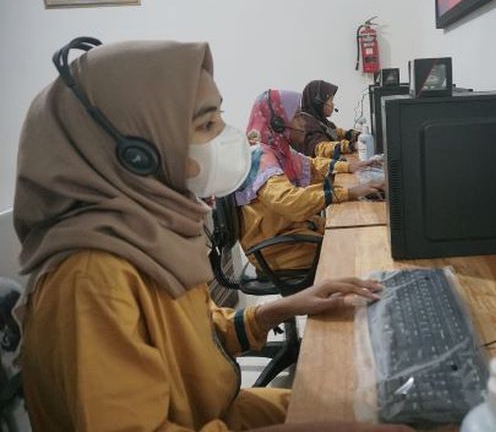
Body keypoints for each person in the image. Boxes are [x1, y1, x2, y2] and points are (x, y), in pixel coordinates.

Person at [14, 38, 408, 432]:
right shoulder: (91, 279)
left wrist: (285, 307)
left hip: (215, 412)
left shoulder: (149, 236)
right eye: (205, 125)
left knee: (380, 405)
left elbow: (197, 335)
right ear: (136, 153)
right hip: (208, 420)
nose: (225, 137)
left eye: (219, 118)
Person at [237, 89, 383, 273]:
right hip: (275, 248)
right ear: (278, 123)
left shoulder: (277, 149)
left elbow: (311, 165)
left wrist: (350, 167)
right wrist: (349, 192)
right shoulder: (259, 157)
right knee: (353, 248)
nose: (303, 122)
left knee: (356, 231)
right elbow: (289, 201)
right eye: (297, 116)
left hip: (292, 230)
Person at [293, 80, 360, 158]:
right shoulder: (306, 124)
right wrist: (351, 146)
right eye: (330, 100)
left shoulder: (321, 121)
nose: (333, 104)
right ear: (318, 102)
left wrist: (357, 135)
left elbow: (337, 133)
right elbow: (321, 148)